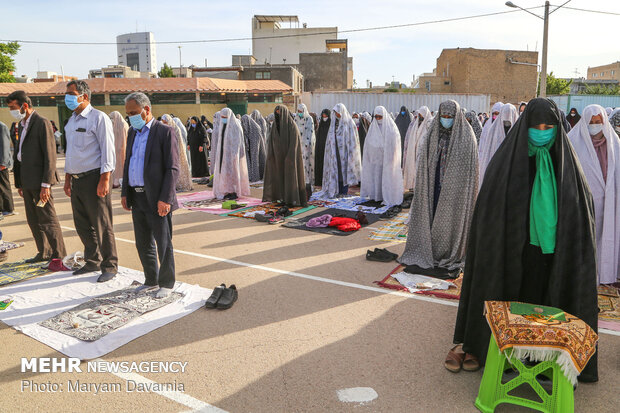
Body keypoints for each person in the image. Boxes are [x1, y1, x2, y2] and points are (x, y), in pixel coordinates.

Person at [451, 98, 598, 382]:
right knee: (513, 298)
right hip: (514, 250)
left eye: (549, 127)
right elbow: (488, 210)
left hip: (552, 252)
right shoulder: (507, 162)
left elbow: (581, 212)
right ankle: (501, 350)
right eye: (536, 126)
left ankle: (546, 354)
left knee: (546, 300)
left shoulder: (566, 164)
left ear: (558, 128)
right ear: (525, 126)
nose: (542, 131)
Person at [399, 100, 478, 276]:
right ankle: (431, 249)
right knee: (432, 216)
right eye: (443, 116)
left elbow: (469, 172)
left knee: (449, 221)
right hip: (434, 187)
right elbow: (424, 162)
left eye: (450, 116)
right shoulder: (433, 134)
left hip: (455, 193)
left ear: (456, 116)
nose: (446, 119)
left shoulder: (467, 136)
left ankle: (449, 251)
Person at [121, 92, 179, 298]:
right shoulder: (132, 133)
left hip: (157, 197)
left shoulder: (164, 132)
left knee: (163, 242)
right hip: (137, 196)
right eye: (128, 114)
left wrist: (166, 198)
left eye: (134, 113)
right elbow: (128, 162)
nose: (131, 117)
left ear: (147, 110)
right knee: (143, 241)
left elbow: (172, 168)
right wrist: (125, 192)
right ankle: (151, 279)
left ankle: (167, 282)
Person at [63, 80, 117, 283]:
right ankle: (93, 260)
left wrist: (105, 179)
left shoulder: (98, 118)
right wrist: (68, 179)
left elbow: (108, 151)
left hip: (95, 178)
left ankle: (110, 265)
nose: (67, 97)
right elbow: (70, 153)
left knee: (102, 224)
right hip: (77, 181)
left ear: (84, 96)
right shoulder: (71, 121)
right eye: (67, 94)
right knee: (82, 224)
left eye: (71, 93)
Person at [6, 90, 66, 263]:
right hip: (27, 181)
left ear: (24, 106)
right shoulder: (21, 124)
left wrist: (46, 184)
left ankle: (58, 255)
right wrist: (19, 183)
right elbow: (20, 154)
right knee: (34, 220)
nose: (12, 110)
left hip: (40, 182)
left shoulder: (42, 123)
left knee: (48, 219)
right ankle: (44, 252)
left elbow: (50, 155)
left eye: (13, 107)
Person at [568, 104, 620, 285]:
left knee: (605, 240)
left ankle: (604, 275)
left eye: (598, 122)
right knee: (585, 241)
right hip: (583, 203)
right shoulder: (573, 141)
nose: (595, 125)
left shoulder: (614, 145)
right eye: (591, 122)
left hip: (610, 203)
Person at [262, 105, 307, 207]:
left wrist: (289, 158)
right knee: (279, 179)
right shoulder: (275, 126)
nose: (278, 115)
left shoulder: (292, 126)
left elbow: (294, 143)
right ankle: (282, 198)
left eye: (280, 113)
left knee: (290, 179)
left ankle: (291, 200)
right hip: (278, 159)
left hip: (289, 159)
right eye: (276, 113)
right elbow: (271, 141)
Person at [361, 106, 404, 206]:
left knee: (386, 180)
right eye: (376, 117)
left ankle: (387, 196)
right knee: (376, 179)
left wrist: (390, 156)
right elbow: (368, 144)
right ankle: (377, 196)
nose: (378, 119)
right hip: (375, 161)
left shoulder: (391, 128)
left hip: (388, 160)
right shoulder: (373, 128)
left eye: (380, 117)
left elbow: (395, 144)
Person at [316, 103, 362, 198]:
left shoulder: (349, 123)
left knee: (344, 172)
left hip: (345, 153)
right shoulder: (333, 123)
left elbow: (354, 140)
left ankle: (343, 191)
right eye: (335, 113)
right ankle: (335, 189)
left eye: (338, 112)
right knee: (336, 170)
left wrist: (351, 154)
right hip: (335, 152)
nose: (337, 115)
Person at [212, 108, 250, 199]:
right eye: (222, 117)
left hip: (233, 155)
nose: (223, 119)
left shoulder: (236, 126)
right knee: (225, 173)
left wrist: (234, 155)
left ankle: (234, 192)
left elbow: (238, 142)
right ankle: (227, 190)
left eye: (225, 117)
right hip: (223, 154)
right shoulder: (223, 125)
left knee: (234, 174)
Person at [478, 103, 518, 185]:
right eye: (494, 113)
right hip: (494, 172)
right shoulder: (492, 130)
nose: (507, 119)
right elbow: (486, 153)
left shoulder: (519, 133)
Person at [403, 106, 432, 191]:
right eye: (419, 115)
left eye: (421, 115)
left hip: (424, 156)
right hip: (414, 154)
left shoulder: (429, 126)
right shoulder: (415, 126)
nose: (420, 117)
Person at [162, 114, 193, 192]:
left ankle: (180, 184)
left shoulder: (176, 129)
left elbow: (179, 143)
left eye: (165, 122)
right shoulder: (164, 129)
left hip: (177, 152)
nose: (164, 124)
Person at [294, 103, 316, 195]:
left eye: (301, 111)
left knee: (307, 166)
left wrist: (307, 144)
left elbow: (310, 133)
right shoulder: (296, 119)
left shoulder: (309, 119)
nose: (299, 113)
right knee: (299, 165)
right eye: (298, 111)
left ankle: (307, 185)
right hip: (298, 146)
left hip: (307, 147)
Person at [240, 114, 265, 183]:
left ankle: (255, 177)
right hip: (251, 145)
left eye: (244, 122)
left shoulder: (255, 128)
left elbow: (255, 149)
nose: (243, 124)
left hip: (256, 147)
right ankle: (250, 175)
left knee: (255, 159)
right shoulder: (248, 127)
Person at [109, 111, 128, 188]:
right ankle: (115, 181)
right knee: (116, 166)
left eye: (112, 118)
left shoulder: (123, 125)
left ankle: (121, 180)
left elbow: (123, 138)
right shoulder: (114, 125)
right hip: (115, 149)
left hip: (121, 149)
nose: (111, 120)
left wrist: (120, 148)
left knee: (121, 165)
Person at [0, 121, 14, 216]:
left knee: (3, 186)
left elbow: (5, 146)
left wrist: (3, 163)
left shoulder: (2, 126)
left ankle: (8, 208)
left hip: (1, 163)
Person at [314, 109, 331, 186]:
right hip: (320, 148)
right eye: (323, 115)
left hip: (328, 148)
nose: (324, 117)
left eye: (326, 115)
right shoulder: (321, 124)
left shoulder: (331, 124)